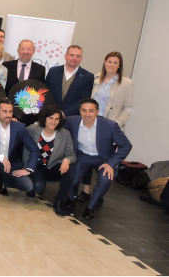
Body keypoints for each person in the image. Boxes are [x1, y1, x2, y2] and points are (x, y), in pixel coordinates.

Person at [80, 52, 134, 202]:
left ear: (120, 65)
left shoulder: (126, 83)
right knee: (87, 156)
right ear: (104, 62)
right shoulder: (96, 79)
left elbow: (128, 107)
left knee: (105, 162)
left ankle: (98, 195)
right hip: (91, 124)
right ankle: (86, 190)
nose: (111, 65)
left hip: (110, 127)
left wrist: (117, 123)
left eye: (115, 63)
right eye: (109, 61)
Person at [65, 98, 132, 219]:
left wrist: (111, 163)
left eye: (91, 111)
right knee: (72, 177)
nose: (87, 114)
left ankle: (90, 207)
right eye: (84, 111)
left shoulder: (110, 126)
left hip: (104, 159)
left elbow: (126, 145)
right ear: (80, 111)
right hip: (82, 156)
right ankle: (71, 198)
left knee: (105, 179)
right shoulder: (72, 121)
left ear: (97, 112)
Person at [23, 105, 77, 216]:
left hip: (53, 166)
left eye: (57, 119)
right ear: (44, 118)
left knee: (71, 169)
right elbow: (18, 134)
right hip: (36, 166)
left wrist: (67, 160)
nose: (53, 121)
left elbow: (71, 154)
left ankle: (59, 201)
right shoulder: (33, 129)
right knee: (38, 186)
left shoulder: (65, 134)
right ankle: (32, 187)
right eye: (50, 118)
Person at [44, 45, 94, 117]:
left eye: (78, 56)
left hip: (71, 118)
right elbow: (46, 92)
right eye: (71, 55)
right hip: (50, 115)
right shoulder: (53, 71)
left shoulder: (88, 76)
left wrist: (64, 113)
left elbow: (84, 100)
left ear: (81, 58)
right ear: (65, 56)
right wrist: (52, 112)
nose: (74, 58)